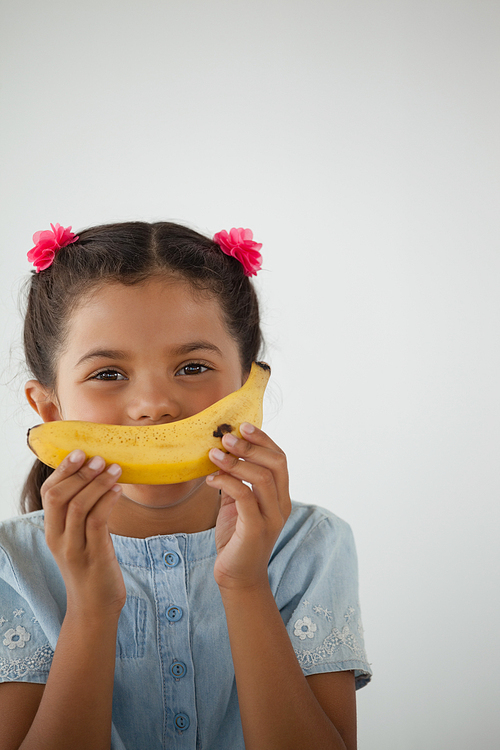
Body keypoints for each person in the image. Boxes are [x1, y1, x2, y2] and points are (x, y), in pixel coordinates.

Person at [0, 221, 371, 750]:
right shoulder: (12, 562)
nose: (155, 405)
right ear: (50, 408)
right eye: (108, 373)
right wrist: (91, 605)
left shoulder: (313, 545)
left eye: (193, 366)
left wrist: (245, 585)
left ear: (246, 389)